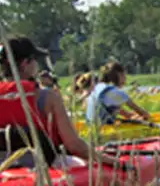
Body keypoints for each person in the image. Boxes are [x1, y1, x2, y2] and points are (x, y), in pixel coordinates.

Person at [0, 36, 125, 168]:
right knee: (86, 164)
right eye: (35, 60)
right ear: (25, 63)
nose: (37, 64)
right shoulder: (47, 97)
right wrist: (112, 162)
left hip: (4, 168)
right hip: (44, 167)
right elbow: (75, 146)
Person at [85, 61, 152, 126]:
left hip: (90, 127)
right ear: (119, 75)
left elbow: (121, 111)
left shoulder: (98, 87)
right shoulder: (117, 93)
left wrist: (129, 114)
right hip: (103, 130)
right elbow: (142, 113)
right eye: (124, 75)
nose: (125, 79)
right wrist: (148, 117)